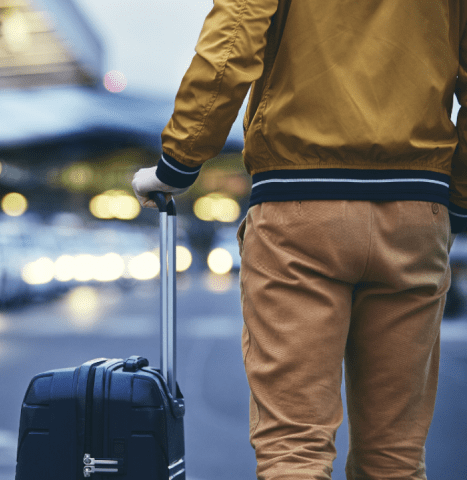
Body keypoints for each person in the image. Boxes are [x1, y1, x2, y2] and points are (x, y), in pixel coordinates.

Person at [132, 0, 467, 478]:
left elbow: (234, 37)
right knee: (395, 456)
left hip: (299, 205)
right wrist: (457, 193)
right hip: (415, 212)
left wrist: (179, 162)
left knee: (294, 449)